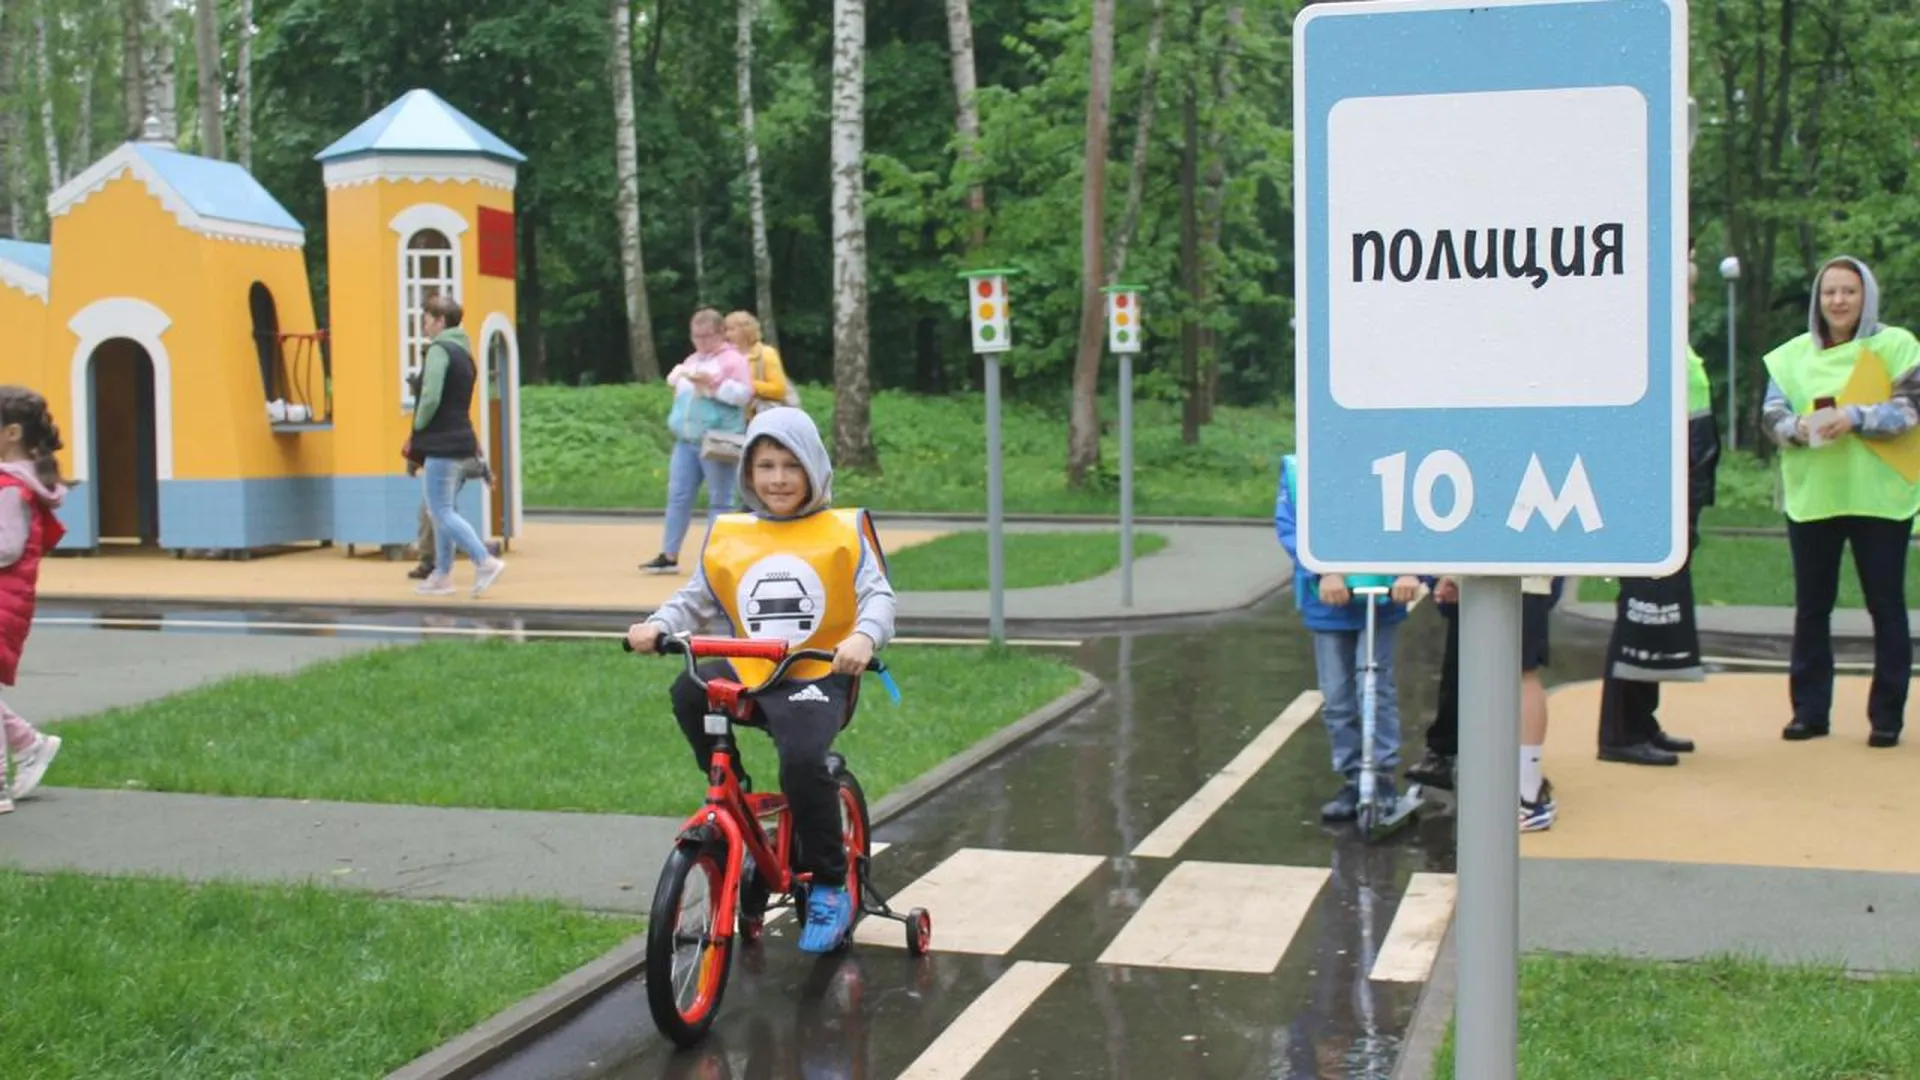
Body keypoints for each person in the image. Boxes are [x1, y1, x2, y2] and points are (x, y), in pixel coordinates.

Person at [626, 407, 896, 953]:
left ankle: (828, 882)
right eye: (765, 466)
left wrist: (864, 638)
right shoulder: (733, 533)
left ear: (814, 468)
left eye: (791, 466)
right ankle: (733, 793)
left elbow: (879, 598)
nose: (778, 479)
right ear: (748, 473)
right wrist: (658, 625)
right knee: (689, 690)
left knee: (802, 761)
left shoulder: (843, 530)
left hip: (816, 670)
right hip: (751, 666)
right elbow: (697, 598)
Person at [1762, 256, 1920, 748]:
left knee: (1886, 606)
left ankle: (1886, 718)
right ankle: (1809, 712)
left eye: (1849, 291)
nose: (1838, 301)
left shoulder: (1896, 345)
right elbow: (1771, 416)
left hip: (1880, 497)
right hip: (1815, 497)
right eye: (1829, 292)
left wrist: (1853, 417)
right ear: (1818, 298)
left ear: (1866, 295)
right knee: (1812, 607)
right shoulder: (1790, 356)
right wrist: (1799, 427)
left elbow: (1911, 409)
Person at [1595, 238, 1717, 765]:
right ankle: (1619, 734)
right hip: (1652, 503)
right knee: (1640, 612)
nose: (1689, 299)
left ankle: (1643, 720)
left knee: (1659, 614)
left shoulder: (1678, 346)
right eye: (1682, 289)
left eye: (1691, 290)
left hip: (1680, 499)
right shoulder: (1648, 346)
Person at [1273, 454, 1422, 821]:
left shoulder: (1392, 457)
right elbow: (1292, 525)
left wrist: (1412, 570)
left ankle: (1381, 777)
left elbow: (1416, 514)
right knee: (1337, 696)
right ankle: (1354, 778)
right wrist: (1323, 571)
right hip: (1327, 598)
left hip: (1383, 595)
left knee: (1375, 688)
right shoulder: (1300, 467)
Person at [1417, 576, 1563, 831]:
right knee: (1500, 673)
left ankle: (1529, 794)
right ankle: (1522, 787)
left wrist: (1453, 576)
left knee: (1520, 673)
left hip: (1518, 580)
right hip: (1493, 581)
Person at [640, 310, 753, 575]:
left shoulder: (733, 360)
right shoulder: (692, 360)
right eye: (696, 336)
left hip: (717, 440)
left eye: (707, 336)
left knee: (720, 500)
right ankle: (669, 555)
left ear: (721, 333)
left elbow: (744, 395)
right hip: (687, 439)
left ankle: (715, 558)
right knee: (678, 496)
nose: (701, 341)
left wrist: (713, 385)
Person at [409, 294, 507, 597]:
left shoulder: (439, 350)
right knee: (444, 510)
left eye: (428, 319)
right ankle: (442, 574)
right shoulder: (465, 354)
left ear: (441, 321)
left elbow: (431, 397)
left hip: (442, 444)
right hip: (463, 441)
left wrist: (419, 425)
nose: (424, 325)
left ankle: (484, 560)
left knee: (440, 511)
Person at [0, 388, 69, 812]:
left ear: (11, 433)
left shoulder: (10, 487)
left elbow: (6, 548)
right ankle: (29, 744)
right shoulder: (16, 483)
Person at [725, 310, 799, 420]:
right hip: (735, 419)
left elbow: (779, 389)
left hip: (763, 417)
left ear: (745, 330)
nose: (727, 334)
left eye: (731, 330)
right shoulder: (726, 356)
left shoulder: (766, 354)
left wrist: (749, 384)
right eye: (726, 330)